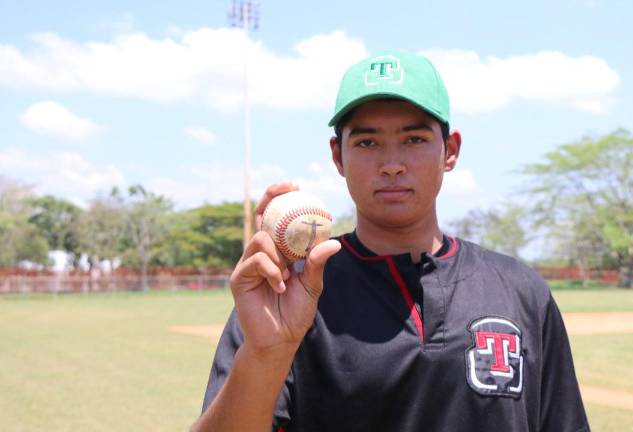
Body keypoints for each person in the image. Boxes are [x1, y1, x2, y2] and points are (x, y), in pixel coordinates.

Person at [192, 50, 590, 432]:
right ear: (338, 156)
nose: (392, 164)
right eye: (367, 142)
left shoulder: (521, 291)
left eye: (414, 139)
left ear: (449, 151)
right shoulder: (290, 294)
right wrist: (266, 354)